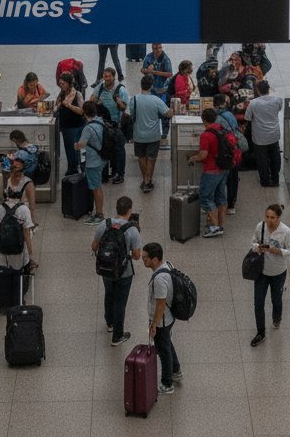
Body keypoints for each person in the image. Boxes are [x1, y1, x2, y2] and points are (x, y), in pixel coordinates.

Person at [91, 195, 142, 347]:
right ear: (129, 210)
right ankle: (117, 336)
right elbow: (137, 256)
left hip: (106, 269)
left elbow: (94, 246)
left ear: (117, 209)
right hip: (124, 272)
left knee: (109, 294)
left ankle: (110, 323)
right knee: (120, 302)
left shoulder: (104, 224)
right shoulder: (132, 230)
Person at [249, 203, 290, 347]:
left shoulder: (286, 232)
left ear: (279, 218)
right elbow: (253, 243)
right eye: (267, 217)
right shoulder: (260, 227)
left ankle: (277, 317)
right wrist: (258, 248)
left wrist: (279, 251)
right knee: (258, 303)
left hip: (278, 272)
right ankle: (261, 332)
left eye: (273, 217)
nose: (269, 220)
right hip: (261, 272)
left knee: (276, 299)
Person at [142, 242, 182, 395]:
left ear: (155, 259)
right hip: (169, 318)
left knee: (163, 351)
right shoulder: (168, 265)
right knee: (167, 345)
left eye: (146, 258)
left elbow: (160, 305)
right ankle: (176, 370)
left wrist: (154, 325)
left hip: (162, 320)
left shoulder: (159, 279)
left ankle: (167, 383)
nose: (143, 261)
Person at [189, 107, 228, 238]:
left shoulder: (206, 135)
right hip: (224, 168)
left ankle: (214, 227)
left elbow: (203, 155)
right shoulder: (221, 129)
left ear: (203, 120)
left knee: (205, 198)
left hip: (211, 170)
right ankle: (221, 225)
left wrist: (192, 158)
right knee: (221, 198)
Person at [127, 75, 170, 193]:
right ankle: (148, 180)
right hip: (153, 135)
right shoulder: (156, 100)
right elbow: (167, 113)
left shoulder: (134, 99)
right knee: (151, 158)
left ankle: (145, 178)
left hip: (138, 135)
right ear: (151, 86)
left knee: (141, 157)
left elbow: (131, 114)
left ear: (141, 85)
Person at [245, 79, 284, 188]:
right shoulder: (277, 100)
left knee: (262, 159)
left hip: (260, 136)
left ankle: (265, 181)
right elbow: (279, 109)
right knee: (275, 157)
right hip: (274, 134)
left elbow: (247, 117)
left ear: (257, 90)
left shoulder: (253, 103)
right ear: (269, 89)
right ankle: (276, 179)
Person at [0, 180, 37, 273]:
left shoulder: (0, 208)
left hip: (3, 249)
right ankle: (26, 265)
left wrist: (1, 248)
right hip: (19, 249)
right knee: (30, 232)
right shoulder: (24, 209)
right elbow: (27, 235)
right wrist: (31, 255)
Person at [93, 68, 128, 184]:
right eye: (104, 76)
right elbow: (91, 100)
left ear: (114, 77)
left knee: (119, 149)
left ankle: (120, 173)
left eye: (108, 76)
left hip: (116, 124)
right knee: (107, 147)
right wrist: (96, 102)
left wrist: (117, 100)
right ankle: (110, 171)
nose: (106, 79)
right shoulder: (100, 87)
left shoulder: (120, 89)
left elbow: (124, 108)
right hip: (103, 124)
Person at [75, 101, 107, 224]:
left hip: (93, 161)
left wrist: (76, 146)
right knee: (97, 186)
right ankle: (98, 211)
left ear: (84, 113)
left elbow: (81, 144)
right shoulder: (100, 120)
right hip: (102, 158)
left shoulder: (88, 128)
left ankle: (99, 214)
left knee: (96, 187)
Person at [213, 94, 242, 214]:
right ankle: (231, 204)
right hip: (233, 149)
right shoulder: (229, 114)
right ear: (224, 103)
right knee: (233, 178)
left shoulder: (214, 116)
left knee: (218, 177)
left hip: (221, 151)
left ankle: (218, 202)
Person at [56, 71, 87, 175]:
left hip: (76, 126)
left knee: (74, 149)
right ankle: (72, 168)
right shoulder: (62, 94)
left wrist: (69, 105)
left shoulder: (77, 94)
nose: (61, 85)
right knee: (69, 149)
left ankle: (74, 169)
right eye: (60, 83)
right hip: (66, 127)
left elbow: (82, 111)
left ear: (69, 83)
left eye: (63, 83)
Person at [141, 43, 173, 140]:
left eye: (159, 48)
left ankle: (164, 134)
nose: (158, 50)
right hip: (152, 90)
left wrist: (155, 72)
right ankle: (152, 132)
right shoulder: (148, 57)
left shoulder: (165, 59)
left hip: (163, 91)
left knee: (164, 112)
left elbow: (169, 74)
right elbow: (142, 70)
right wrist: (147, 70)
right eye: (155, 48)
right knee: (152, 111)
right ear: (152, 48)